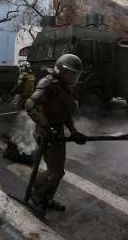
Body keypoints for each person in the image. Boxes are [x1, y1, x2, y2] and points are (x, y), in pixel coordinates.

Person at [25, 54, 87, 213]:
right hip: (45, 132)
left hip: (57, 132)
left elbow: (66, 113)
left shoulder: (66, 88)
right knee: (56, 172)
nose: (74, 77)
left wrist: (74, 131)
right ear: (61, 70)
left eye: (76, 74)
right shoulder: (48, 83)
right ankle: (36, 194)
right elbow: (30, 104)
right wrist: (46, 126)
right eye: (71, 73)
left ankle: (47, 198)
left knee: (58, 171)